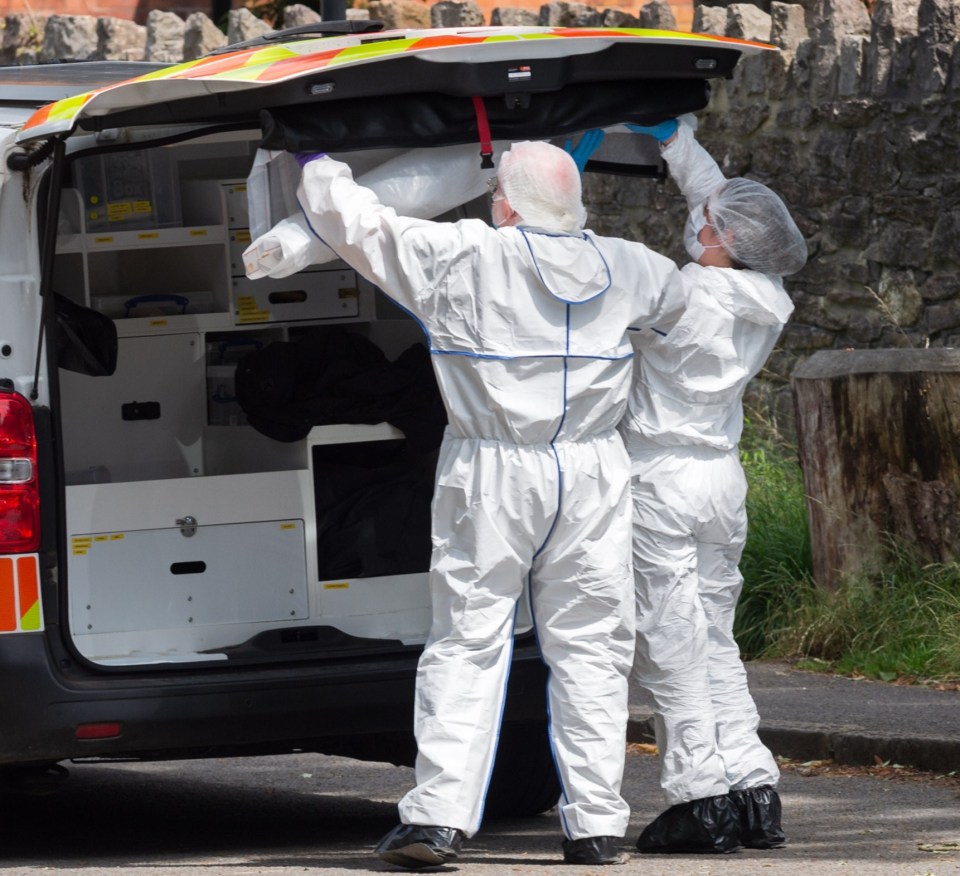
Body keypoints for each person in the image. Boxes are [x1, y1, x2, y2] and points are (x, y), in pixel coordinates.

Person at [288, 141, 689, 868]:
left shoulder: (465, 255)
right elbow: (680, 314)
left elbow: (360, 224)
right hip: (594, 467)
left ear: (503, 201)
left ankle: (439, 818)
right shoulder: (634, 265)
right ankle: (596, 826)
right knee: (591, 647)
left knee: (469, 637)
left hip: (494, 467)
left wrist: (315, 158)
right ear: (577, 203)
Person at [569, 116, 806, 854]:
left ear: (720, 240)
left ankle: (699, 796)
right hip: (720, 479)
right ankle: (753, 788)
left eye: (705, 222)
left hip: (661, 477)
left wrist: (559, 189)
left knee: (669, 640)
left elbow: (582, 275)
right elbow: (723, 204)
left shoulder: (679, 296)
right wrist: (678, 144)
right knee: (714, 635)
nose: (695, 219)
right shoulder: (765, 297)